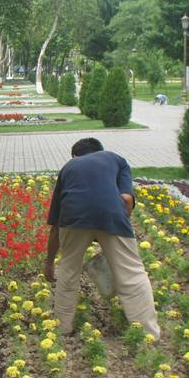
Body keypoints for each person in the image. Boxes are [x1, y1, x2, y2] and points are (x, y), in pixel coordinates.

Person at [44, 137, 160, 340]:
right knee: (132, 274)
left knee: (69, 271)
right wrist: (116, 228)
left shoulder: (68, 167)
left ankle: (62, 328)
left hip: (74, 217)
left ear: (74, 156)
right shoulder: (116, 159)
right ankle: (147, 334)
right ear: (100, 151)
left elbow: (55, 227)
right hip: (111, 214)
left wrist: (49, 263)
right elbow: (126, 199)